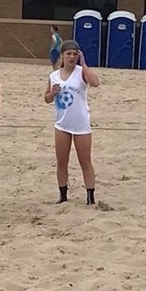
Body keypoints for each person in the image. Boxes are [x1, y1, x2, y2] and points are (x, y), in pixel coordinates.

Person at [45, 40, 101, 204]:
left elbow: (95, 82)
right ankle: (63, 195)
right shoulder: (54, 75)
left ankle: (90, 197)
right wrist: (52, 93)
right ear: (62, 55)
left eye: (74, 54)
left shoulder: (81, 72)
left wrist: (84, 64)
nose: (71, 57)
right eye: (68, 54)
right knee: (61, 161)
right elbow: (46, 98)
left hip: (81, 124)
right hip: (62, 123)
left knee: (85, 161)